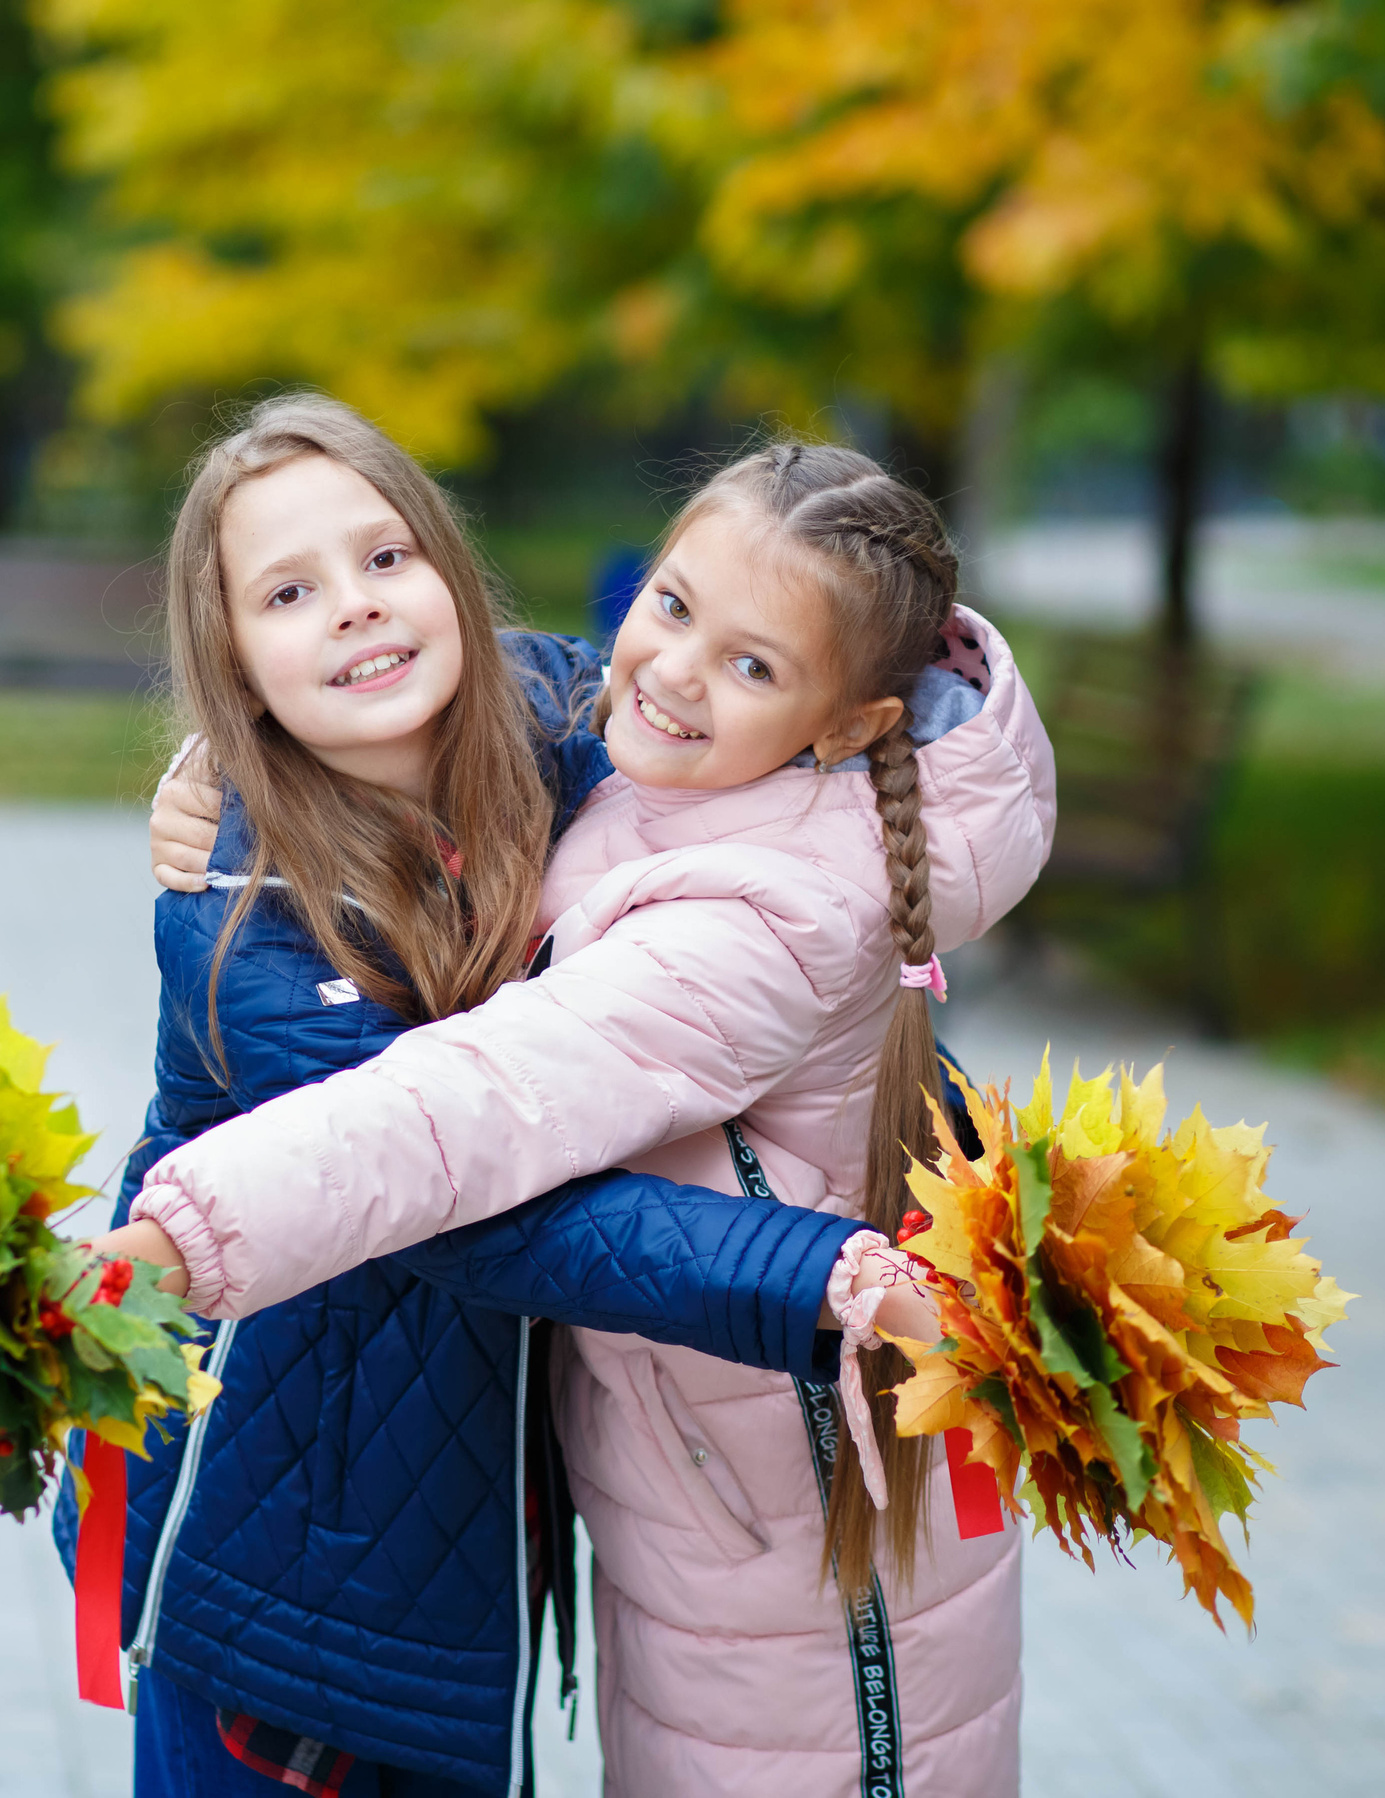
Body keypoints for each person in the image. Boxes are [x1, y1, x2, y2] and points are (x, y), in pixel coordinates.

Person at [106, 440, 1055, 1797]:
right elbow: (474, 1190)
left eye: (386, 558)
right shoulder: (246, 925)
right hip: (287, 1581)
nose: (359, 605)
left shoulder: (571, 752)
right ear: (229, 660)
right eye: (289, 593)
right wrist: (812, 1271)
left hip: (500, 1544)